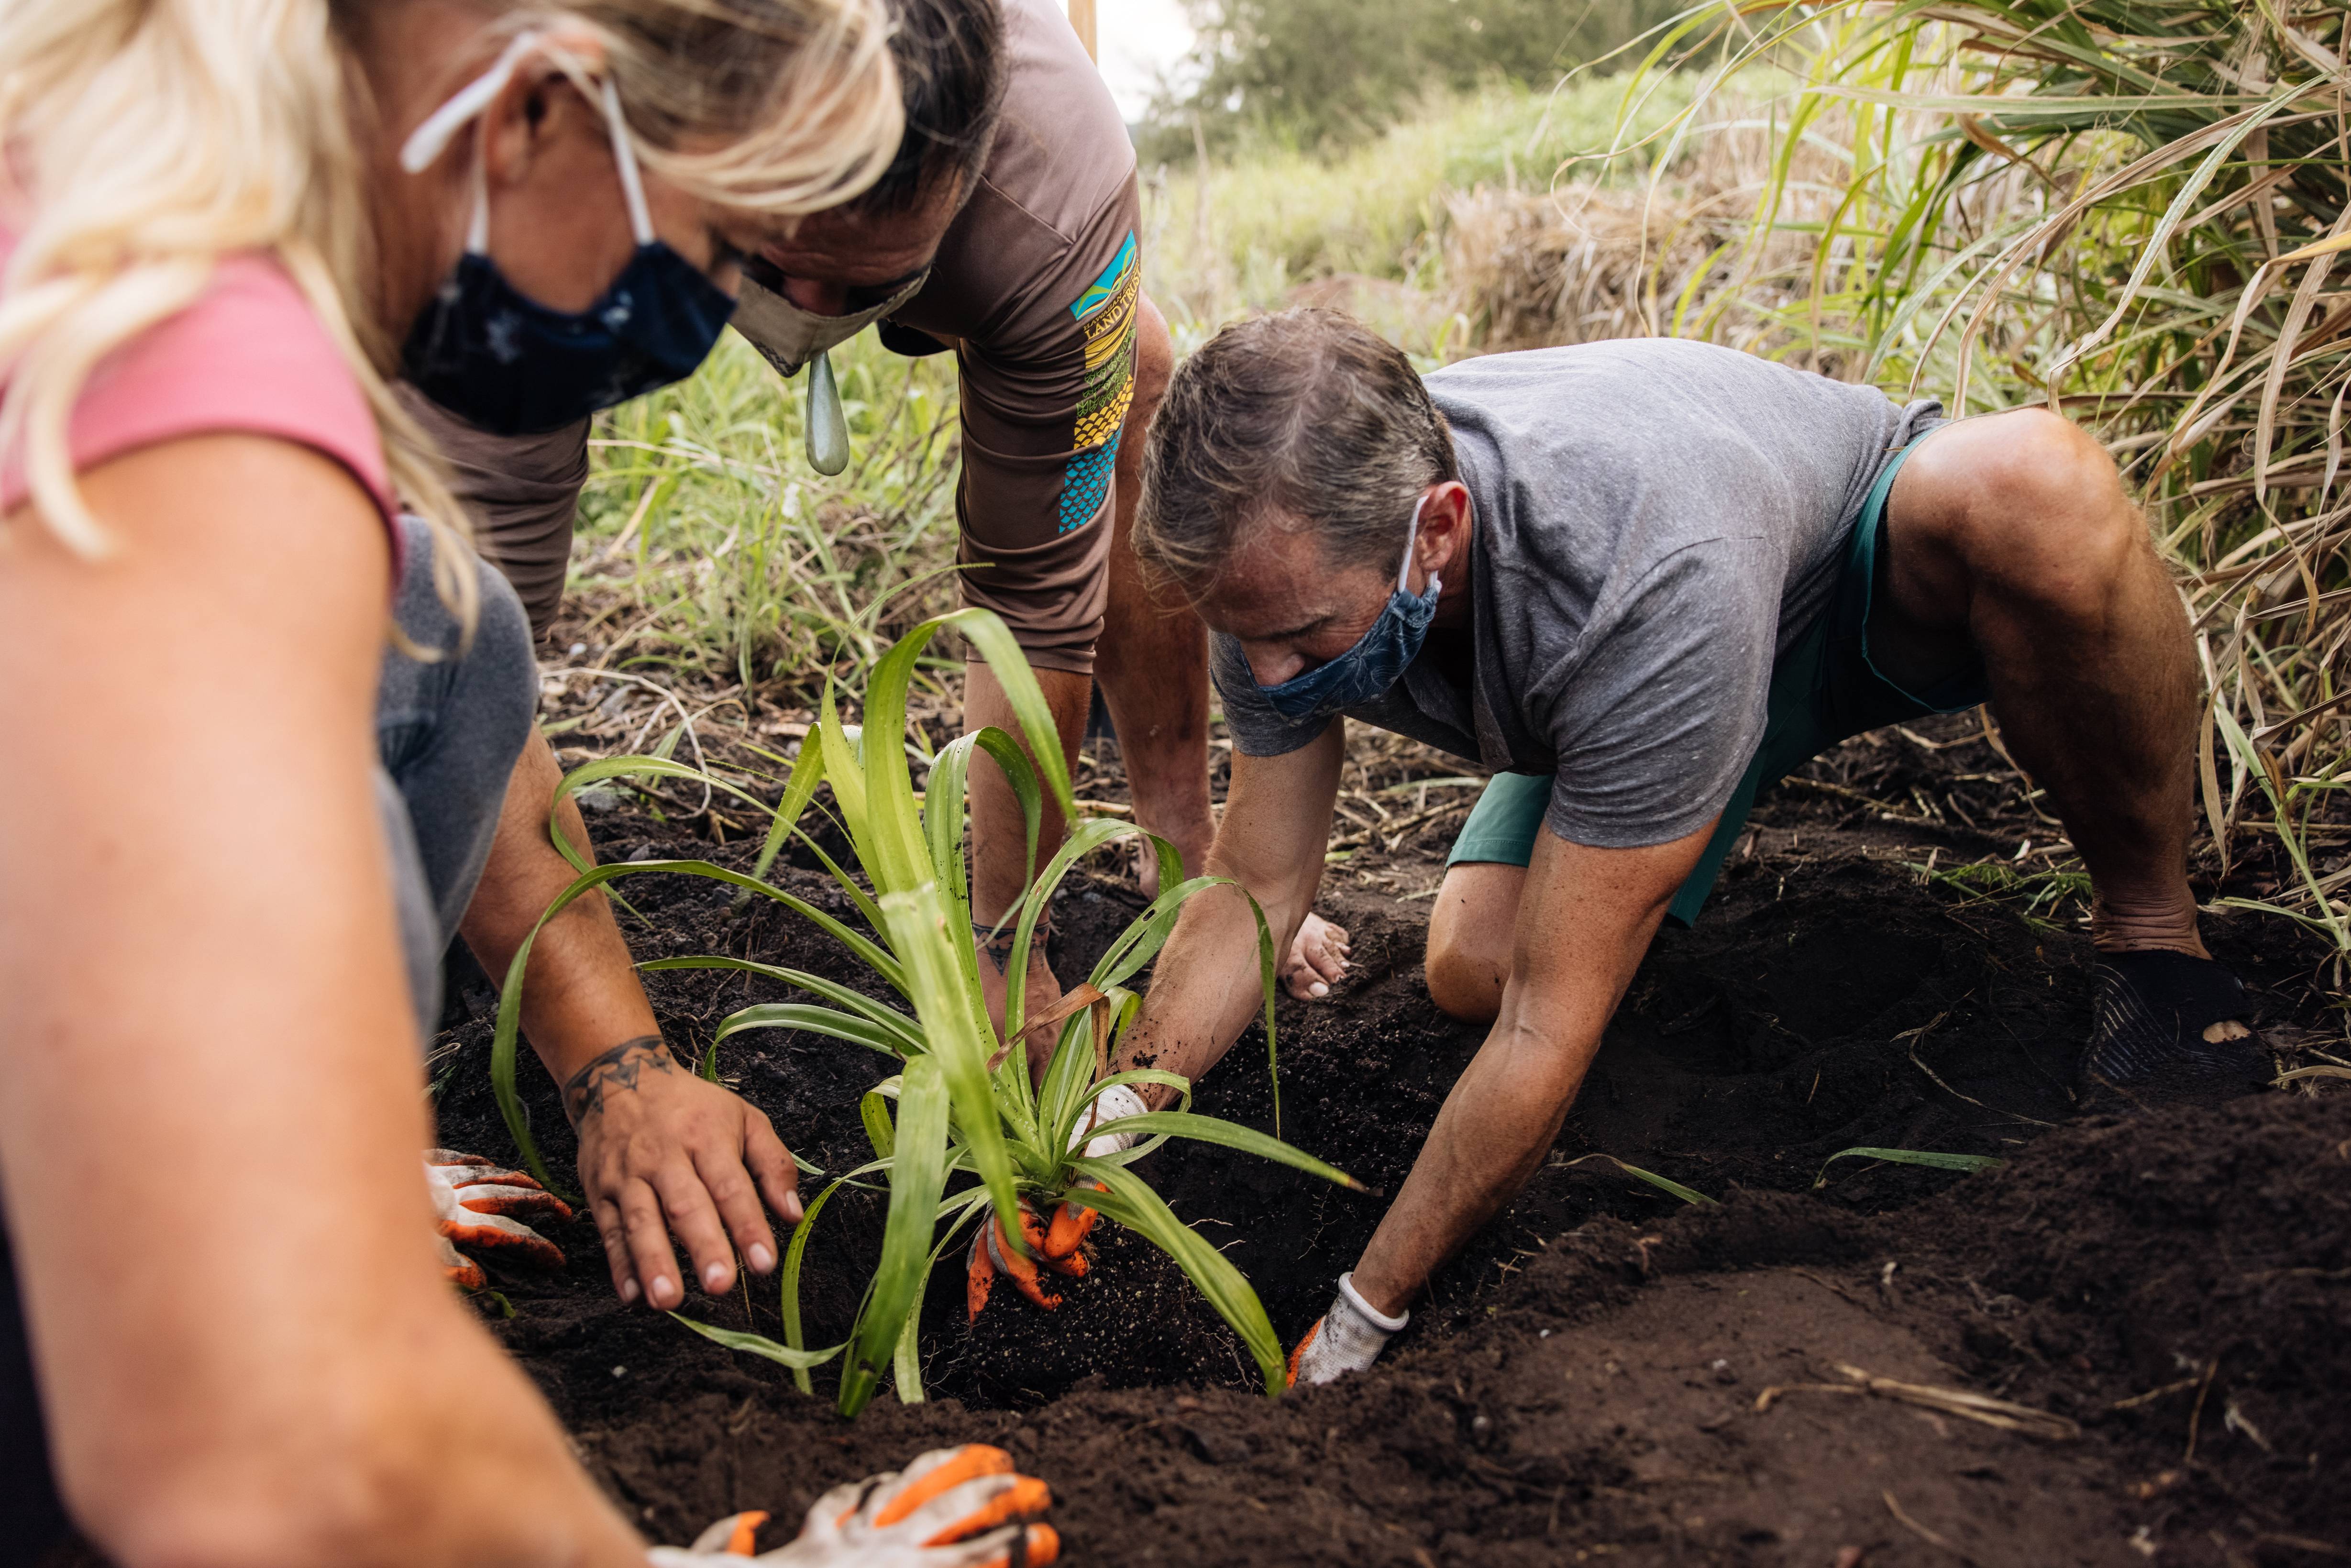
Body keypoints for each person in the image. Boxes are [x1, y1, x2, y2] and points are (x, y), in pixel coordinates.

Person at [0, 0, 1056, 1559]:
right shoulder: (191, 418)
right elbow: (269, 1451)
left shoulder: (115, 197)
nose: (697, 328)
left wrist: (595, 1073)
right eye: (713, 249)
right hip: (160, 1428)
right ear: (537, 112)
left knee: (437, 628)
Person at [1096, 307, 2273, 1389]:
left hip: (1843, 593)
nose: (1266, 678)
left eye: (1301, 636)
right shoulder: (1274, 568)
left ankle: (2154, 931)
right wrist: (1106, 1134)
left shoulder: (1628, 562)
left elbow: (1549, 1030)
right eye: (1240, 637)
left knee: (2032, 485)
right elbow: (1253, 884)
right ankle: (1649, 821)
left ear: (1437, 531)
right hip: (1619, 694)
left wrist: (1364, 1315)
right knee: (1472, 969)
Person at [401, 0, 1346, 1318]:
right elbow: (457, 642)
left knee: (1128, 364)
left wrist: (1009, 940)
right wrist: (614, 1065)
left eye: (861, 283)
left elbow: (1029, 602)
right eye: (774, 262)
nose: (808, 314)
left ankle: (1182, 839)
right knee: (414, 621)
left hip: (1016, 221)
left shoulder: (1050, 185)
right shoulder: (532, 155)